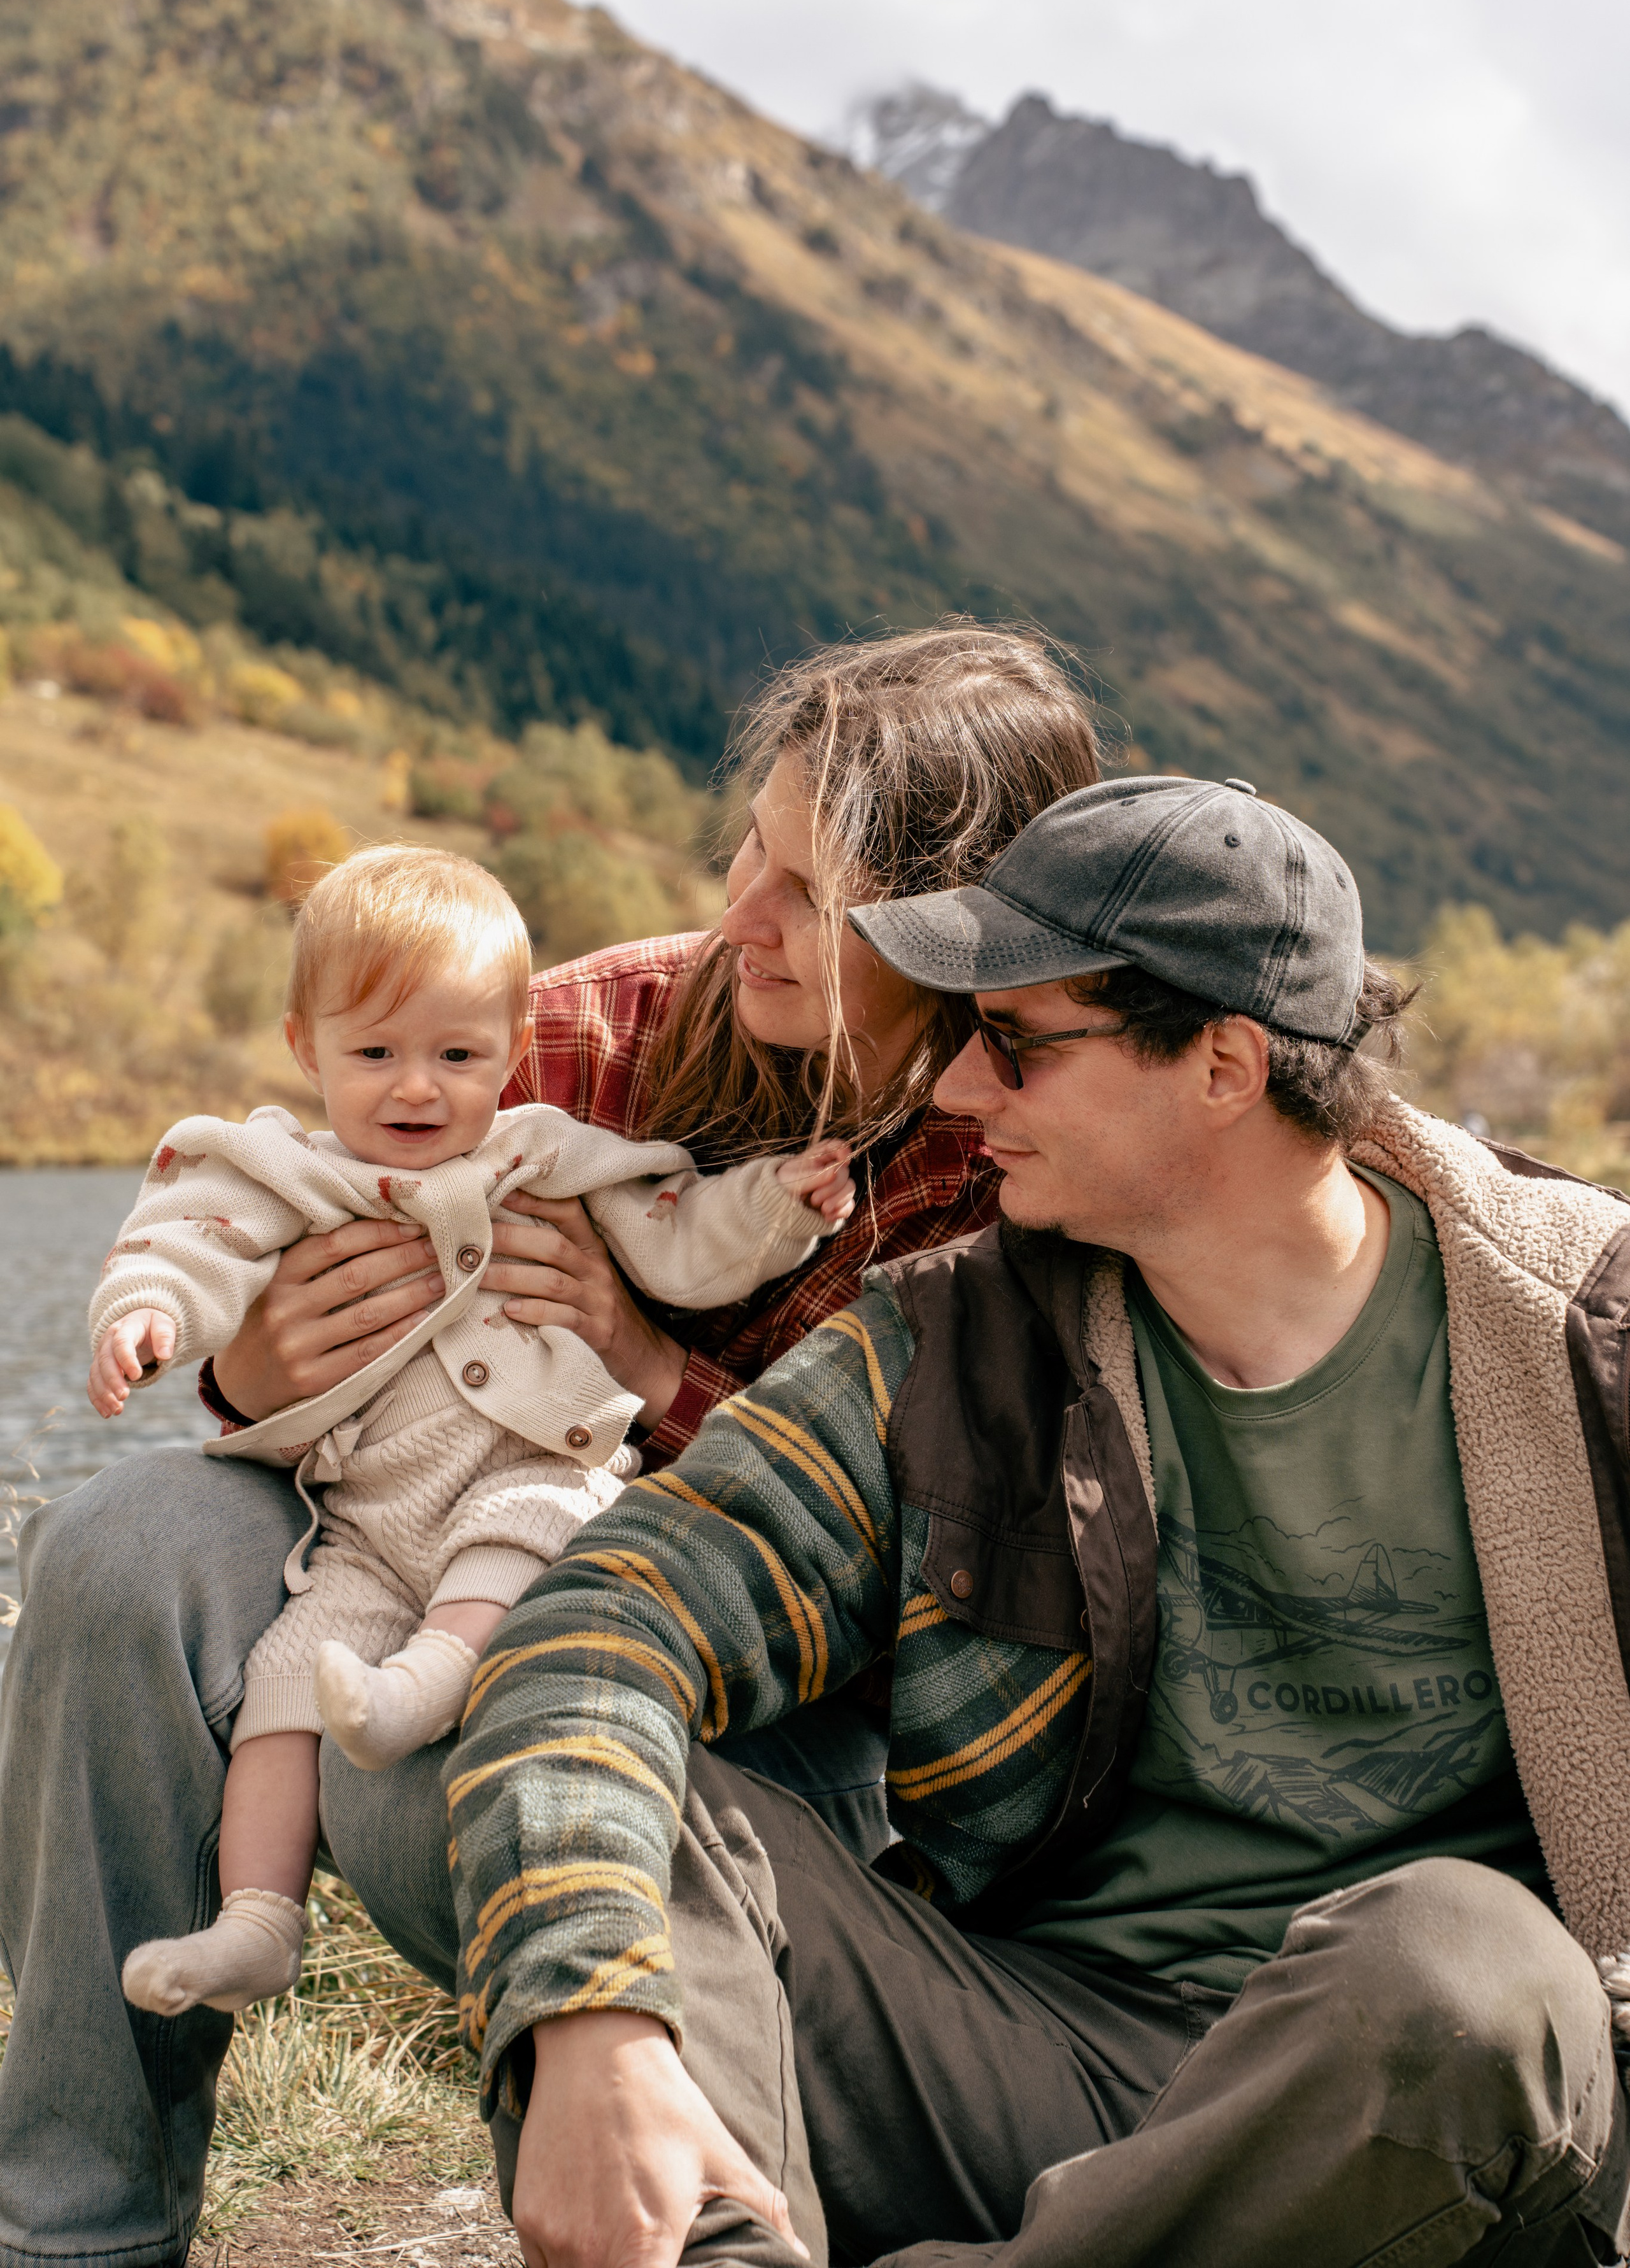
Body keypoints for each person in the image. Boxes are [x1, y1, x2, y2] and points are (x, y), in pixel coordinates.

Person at [0, 621, 1102, 2268]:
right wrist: (255, 1365)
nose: (743, 915)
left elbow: (917, 1596)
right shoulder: (586, 1036)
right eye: (750, 848)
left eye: (810, 891)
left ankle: (659, 2208)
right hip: (419, 1537)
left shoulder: (1028, 1158)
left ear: (951, 932)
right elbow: (304, 1226)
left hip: (793, 1723)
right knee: (120, 1548)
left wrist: (650, 1361)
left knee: (436, 1755)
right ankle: (70, 2234)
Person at [437, 773, 1630, 2268]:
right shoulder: (949, 1349)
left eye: (1012, 1046)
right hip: (1021, 2060)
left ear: (1221, 1063)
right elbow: (600, 1624)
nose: (950, 1095)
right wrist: (595, 2018)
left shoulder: (1585, 1339)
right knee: (642, 1811)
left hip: (1411, 2126)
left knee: (1462, 1966)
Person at [88, 844, 853, 2020]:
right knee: (290, 1681)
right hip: (368, 1523)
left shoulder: (540, 1154)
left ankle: (433, 1681)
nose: (416, 1089)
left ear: (510, 1048)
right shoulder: (285, 1170)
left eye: (457, 1057)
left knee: (527, 1524)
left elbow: (679, 1237)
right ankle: (255, 1921)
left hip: (531, 1462)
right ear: (307, 1051)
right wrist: (148, 1313)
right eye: (376, 1055)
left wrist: (777, 1212)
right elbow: (187, 1237)